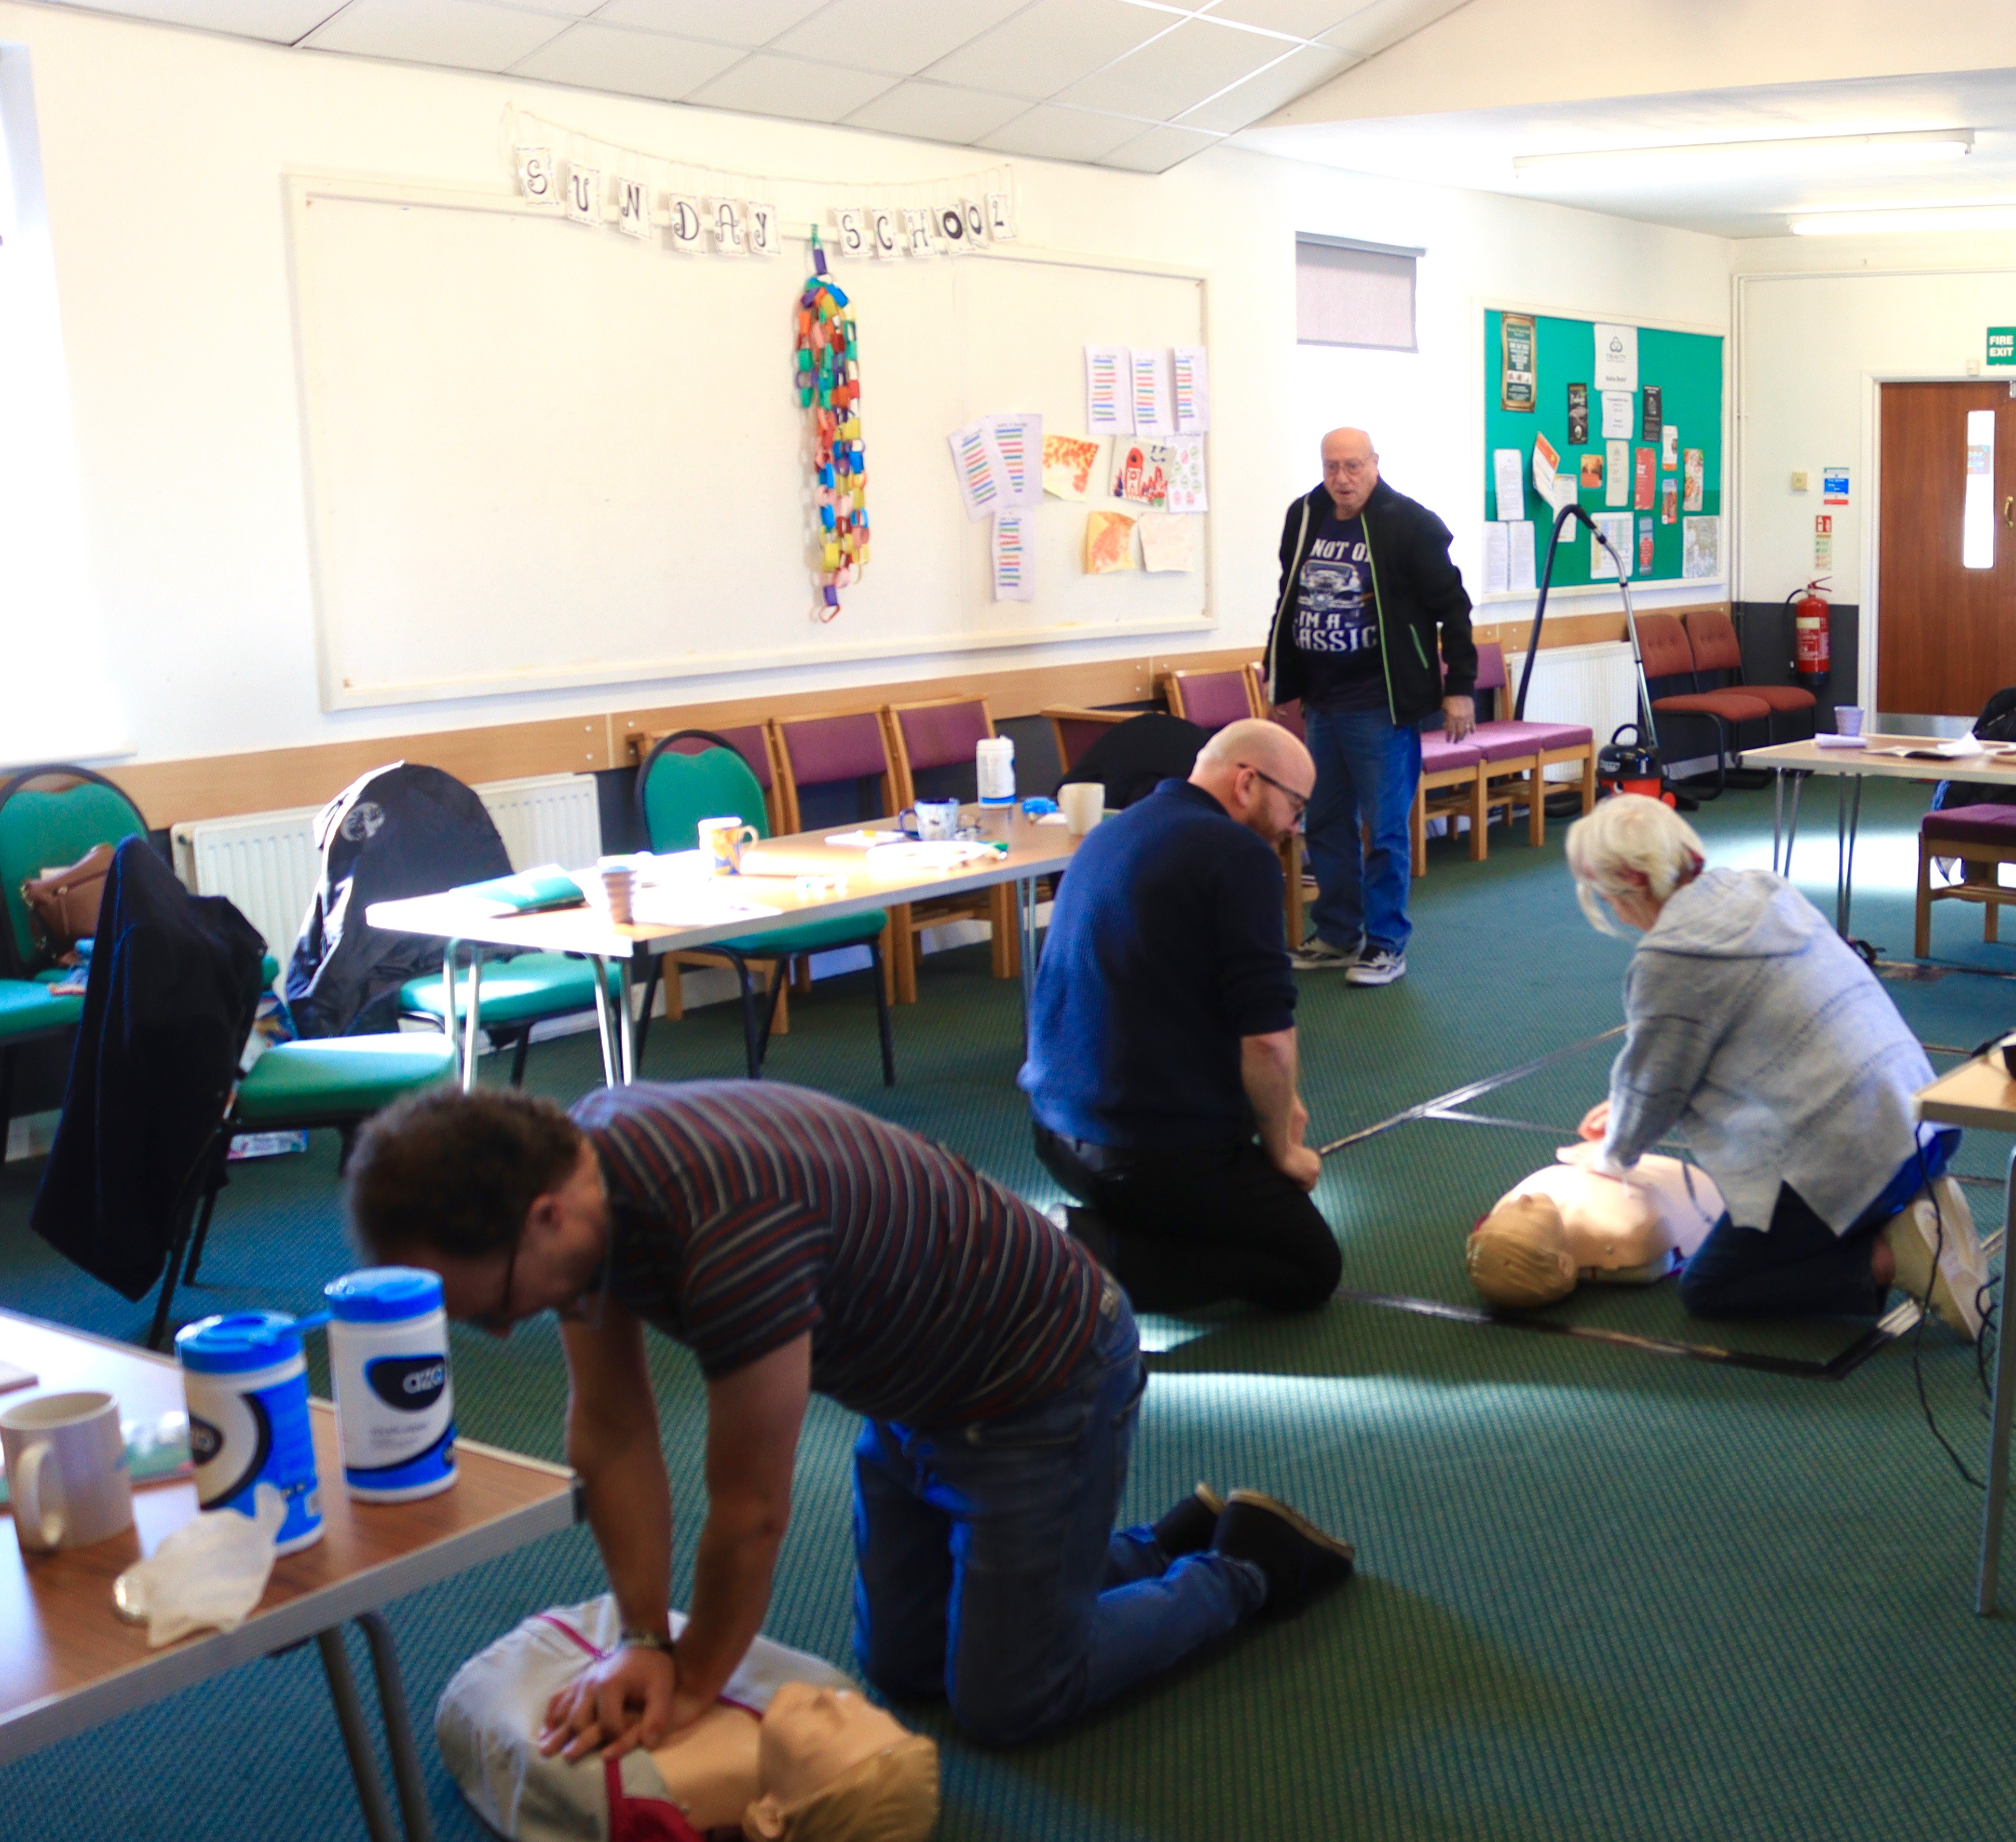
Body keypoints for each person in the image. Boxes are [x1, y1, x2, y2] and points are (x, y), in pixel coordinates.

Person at [344, 1080, 1356, 1760]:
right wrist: (643, 1634)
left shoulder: (722, 1228)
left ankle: (1245, 1564)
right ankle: (1149, 1542)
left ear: (545, 1218)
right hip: (911, 1394)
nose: (504, 1331)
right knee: (907, 1668)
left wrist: (694, 1675)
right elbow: (610, 1429)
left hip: (1043, 1381)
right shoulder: (572, 1172)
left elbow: (748, 1508)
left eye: (490, 1305)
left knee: (1010, 1702)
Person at [1562, 794, 1988, 1337]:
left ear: (1631, 882)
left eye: (1605, 894)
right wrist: (1626, 1106)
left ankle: (1893, 1257)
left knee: (1711, 1285)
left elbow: (1656, 1085)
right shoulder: (1760, 887)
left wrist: (1613, 1150)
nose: (1612, 909)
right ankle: (1908, 1205)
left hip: (1855, 1157)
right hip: (1922, 1118)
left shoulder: (1671, 958)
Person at [1024, 719, 1343, 1315]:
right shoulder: (1238, 854)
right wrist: (1282, 1149)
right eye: (1295, 806)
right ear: (1247, 782)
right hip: (1142, 1155)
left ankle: (1101, 1229)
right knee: (1309, 1267)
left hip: (1054, 1135)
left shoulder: (1116, 830)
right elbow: (1267, 1039)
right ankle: (1092, 1256)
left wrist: (1280, 1102)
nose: (1295, 826)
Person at [1263, 426, 1479, 989]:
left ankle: (1386, 943)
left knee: (1384, 830)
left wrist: (1460, 686)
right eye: (1332, 466)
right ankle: (1338, 934)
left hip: (1380, 704)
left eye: (1353, 466)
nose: (1342, 478)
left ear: (1375, 464)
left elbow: (1454, 608)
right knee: (1327, 822)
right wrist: (1277, 674)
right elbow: (1291, 595)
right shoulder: (1305, 515)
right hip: (1322, 702)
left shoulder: (1408, 523)